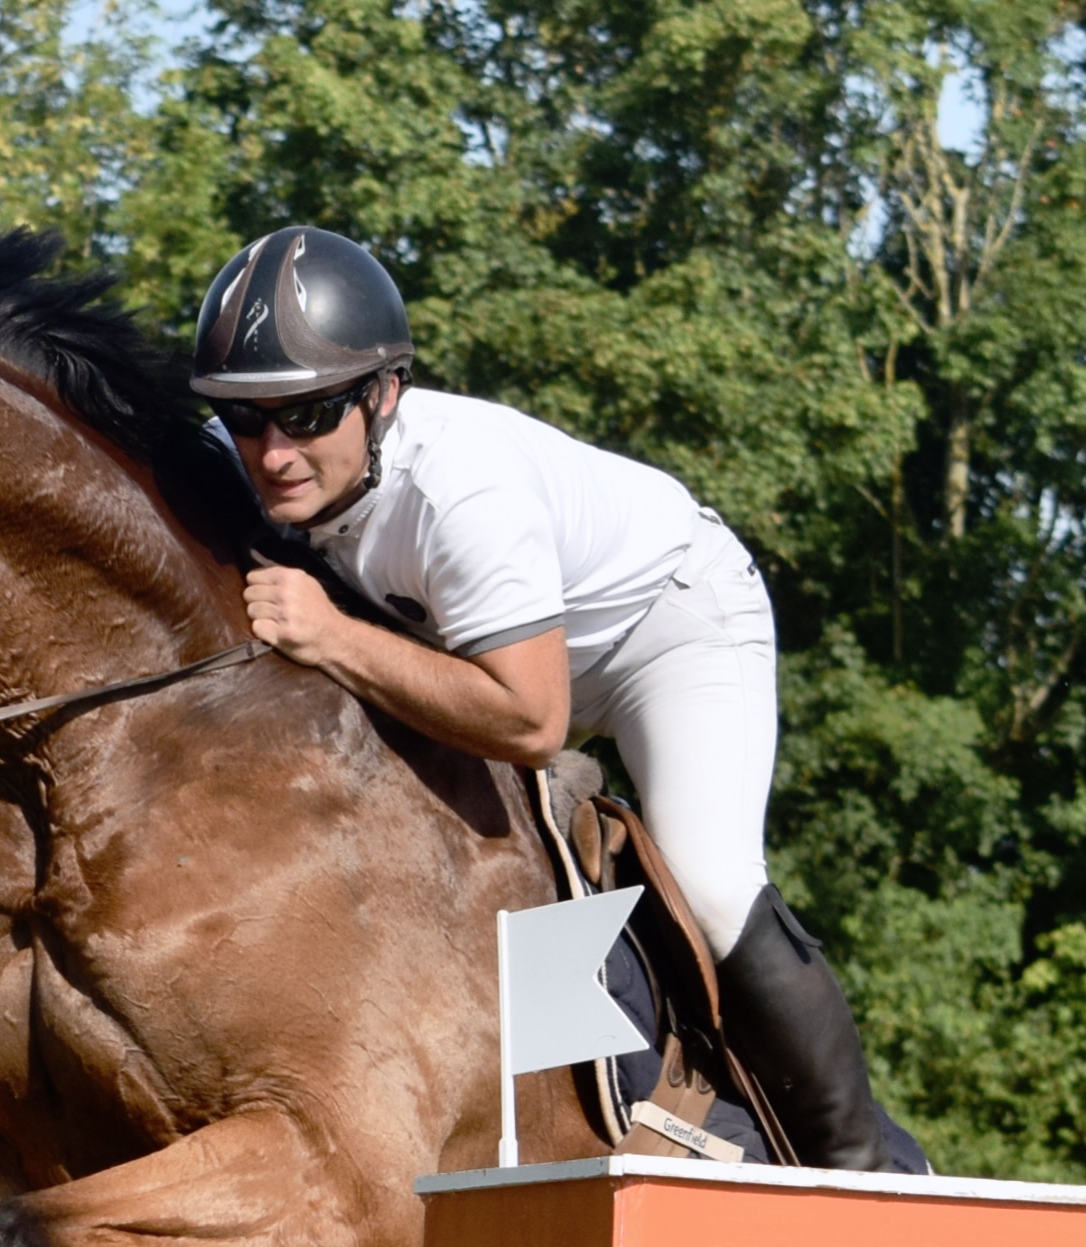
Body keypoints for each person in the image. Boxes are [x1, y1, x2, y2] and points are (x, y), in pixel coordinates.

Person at [190, 225, 916, 1172]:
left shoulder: (460, 494)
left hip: (662, 631)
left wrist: (330, 635)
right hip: (486, 654)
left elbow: (535, 723)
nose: (274, 452)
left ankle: (861, 1168)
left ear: (383, 394)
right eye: (245, 419)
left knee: (709, 881)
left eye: (309, 414)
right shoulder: (243, 452)